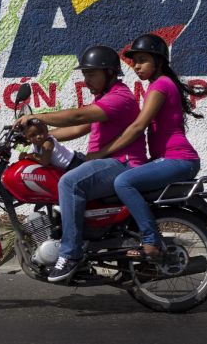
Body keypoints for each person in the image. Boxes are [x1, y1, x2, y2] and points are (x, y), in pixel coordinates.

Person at [16, 46, 146, 282]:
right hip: (106, 162)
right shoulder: (104, 99)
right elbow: (78, 128)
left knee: (70, 183)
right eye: (85, 75)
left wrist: (37, 117)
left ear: (109, 72)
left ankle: (70, 254)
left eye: (91, 74)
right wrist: (39, 137)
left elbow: (78, 116)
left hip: (122, 163)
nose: (87, 81)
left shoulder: (119, 98)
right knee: (58, 180)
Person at [86, 33, 207, 259]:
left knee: (123, 181)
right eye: (134, 61)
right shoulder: (159, 84)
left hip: (179, 159)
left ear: (159, 61)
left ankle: (151, 239)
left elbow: (138, 127)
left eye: (142, 60)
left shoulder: (160, 85)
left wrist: (101, 153)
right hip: (169, 159)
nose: (136, 66)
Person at [18, 118, 85, 171]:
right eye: (33, 135)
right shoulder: (36, 145)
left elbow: (44, 161)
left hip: (75, 163)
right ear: (27, 137)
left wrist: (29, 155)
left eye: (41, 131)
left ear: (46, 129)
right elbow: (37, 158)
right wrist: (25, 157)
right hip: (68, 167)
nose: (38, 136)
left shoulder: (47, 143)